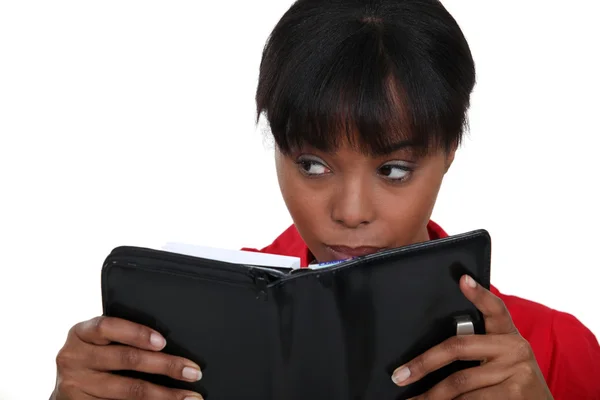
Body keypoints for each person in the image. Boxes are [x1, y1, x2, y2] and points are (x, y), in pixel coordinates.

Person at [51, 0, 600, 399]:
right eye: (312, 164)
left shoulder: (555, 351)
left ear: (450, 149)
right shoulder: (179, 340)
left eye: (394, 169)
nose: (350, 211)